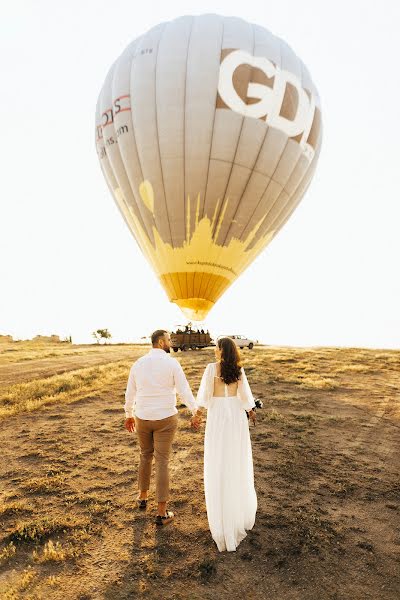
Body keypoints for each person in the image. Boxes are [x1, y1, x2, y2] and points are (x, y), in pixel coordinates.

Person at [124, 329, 202, 526]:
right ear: (160, 342)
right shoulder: (171, 363)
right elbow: (183, 390)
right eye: (168, 340)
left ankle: (142, 497)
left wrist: (128, 414)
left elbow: (130, 392)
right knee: (162, 461)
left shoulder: (138, 363)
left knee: (145, 455)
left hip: (142, 417)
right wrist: (195, 411)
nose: (171, 342)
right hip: (165, 418)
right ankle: (161, 513)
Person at [195, 336, 257, 551]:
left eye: (216, 347)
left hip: (218, 417)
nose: (214, 350)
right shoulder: (238, 370)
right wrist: (250, 411)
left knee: (218, 460)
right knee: (235, 460)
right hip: (235, 416)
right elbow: (245, 396)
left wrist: (197, 413)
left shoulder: (211, 369)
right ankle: (236, 513)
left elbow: (204, 395)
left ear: (222, 350)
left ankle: (223, 517)